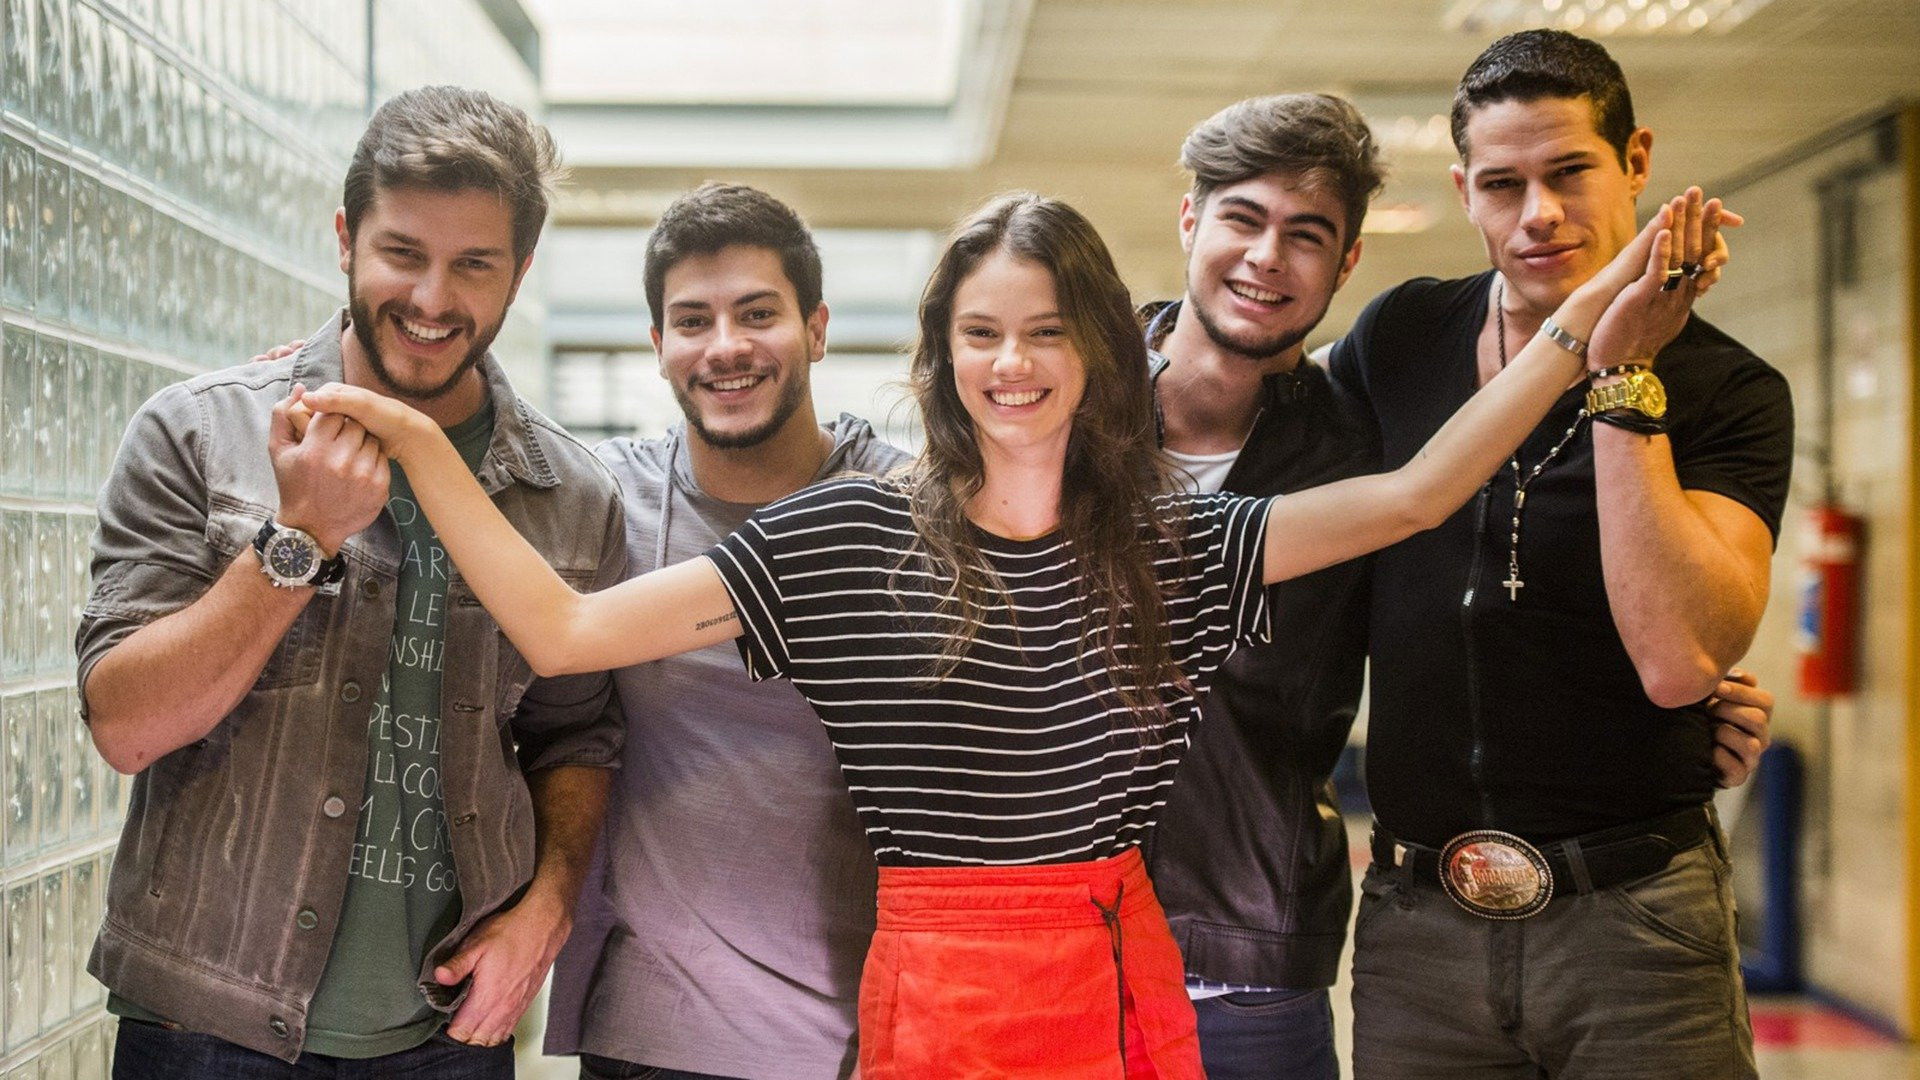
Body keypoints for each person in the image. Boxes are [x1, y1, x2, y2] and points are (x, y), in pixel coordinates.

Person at [299, 183, 1716, 1078]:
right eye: (981, 333)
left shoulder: (1174, 539)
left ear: (1098, 345)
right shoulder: (851, 536)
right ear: (942, 355)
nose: (1013, 363)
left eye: (1043, 331)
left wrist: (1589, 329)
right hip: (937, 989)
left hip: (1118, 976)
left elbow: (1417, 495)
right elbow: (561, 629)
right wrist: (420, 442)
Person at [1142, 94, 1776, 1079]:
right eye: (1242, 219)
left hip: (1258, 956)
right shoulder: (1069, 413)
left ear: (1347, 261)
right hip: (1070, 923)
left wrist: (1694, 705)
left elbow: (1466, 556)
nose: (1268, 258)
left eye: (1307, 235)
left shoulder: (1347, 431)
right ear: (1190, 219)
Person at [77, 86, 624, 1077]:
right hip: (205, 1029)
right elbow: (125, 728)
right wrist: (299, 540)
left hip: (444, 1035)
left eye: (474, 265)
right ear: (344, 239)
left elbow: (577, 736)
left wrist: (550, 906)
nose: (432, 300)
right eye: (402, 253)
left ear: (521, 270)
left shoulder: (573, 497)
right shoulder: (198, 433)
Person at [1329, 31, 1792, 1078]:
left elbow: (1678, 661)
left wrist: (1625, 373)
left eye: (1569, 171)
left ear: (1636, 162)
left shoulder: (1730, 389)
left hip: (1636, 927)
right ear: (1465, 192)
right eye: (1503, 184)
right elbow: (1267, 501)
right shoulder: (1401, 337)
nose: (1537, 212)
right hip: (1419, 928)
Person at [542, 183, 906, 1080]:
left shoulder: (908, 510)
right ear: (659, 345)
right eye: (693, 321)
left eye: (758, 314)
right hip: (650, 1035)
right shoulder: (606, 500)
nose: (726, 347)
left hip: (866, 1036)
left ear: (816, 329)